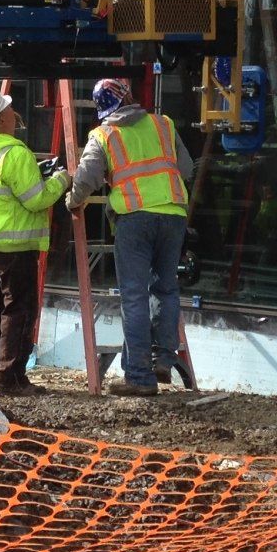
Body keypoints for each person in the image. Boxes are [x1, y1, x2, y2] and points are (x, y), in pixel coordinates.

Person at [64, 78, 193, 396]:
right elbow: (187, 169)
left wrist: (71, 202)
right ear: (130, 96)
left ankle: (139, 376)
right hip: (174, 214)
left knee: (134, 297)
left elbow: (86, 179)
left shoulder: (103, 134)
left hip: (134, 219)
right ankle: (164, 357)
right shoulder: (163, 124)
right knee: (166, 290)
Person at [0, 88, 69, 398]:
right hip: (15, 245)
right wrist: (62, 180)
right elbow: (36, 199)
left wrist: (35, 175)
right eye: (7, 110)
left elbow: (6, 188)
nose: (13, 113)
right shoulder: (14, 153)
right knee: (18, 310)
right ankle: (10, 379)